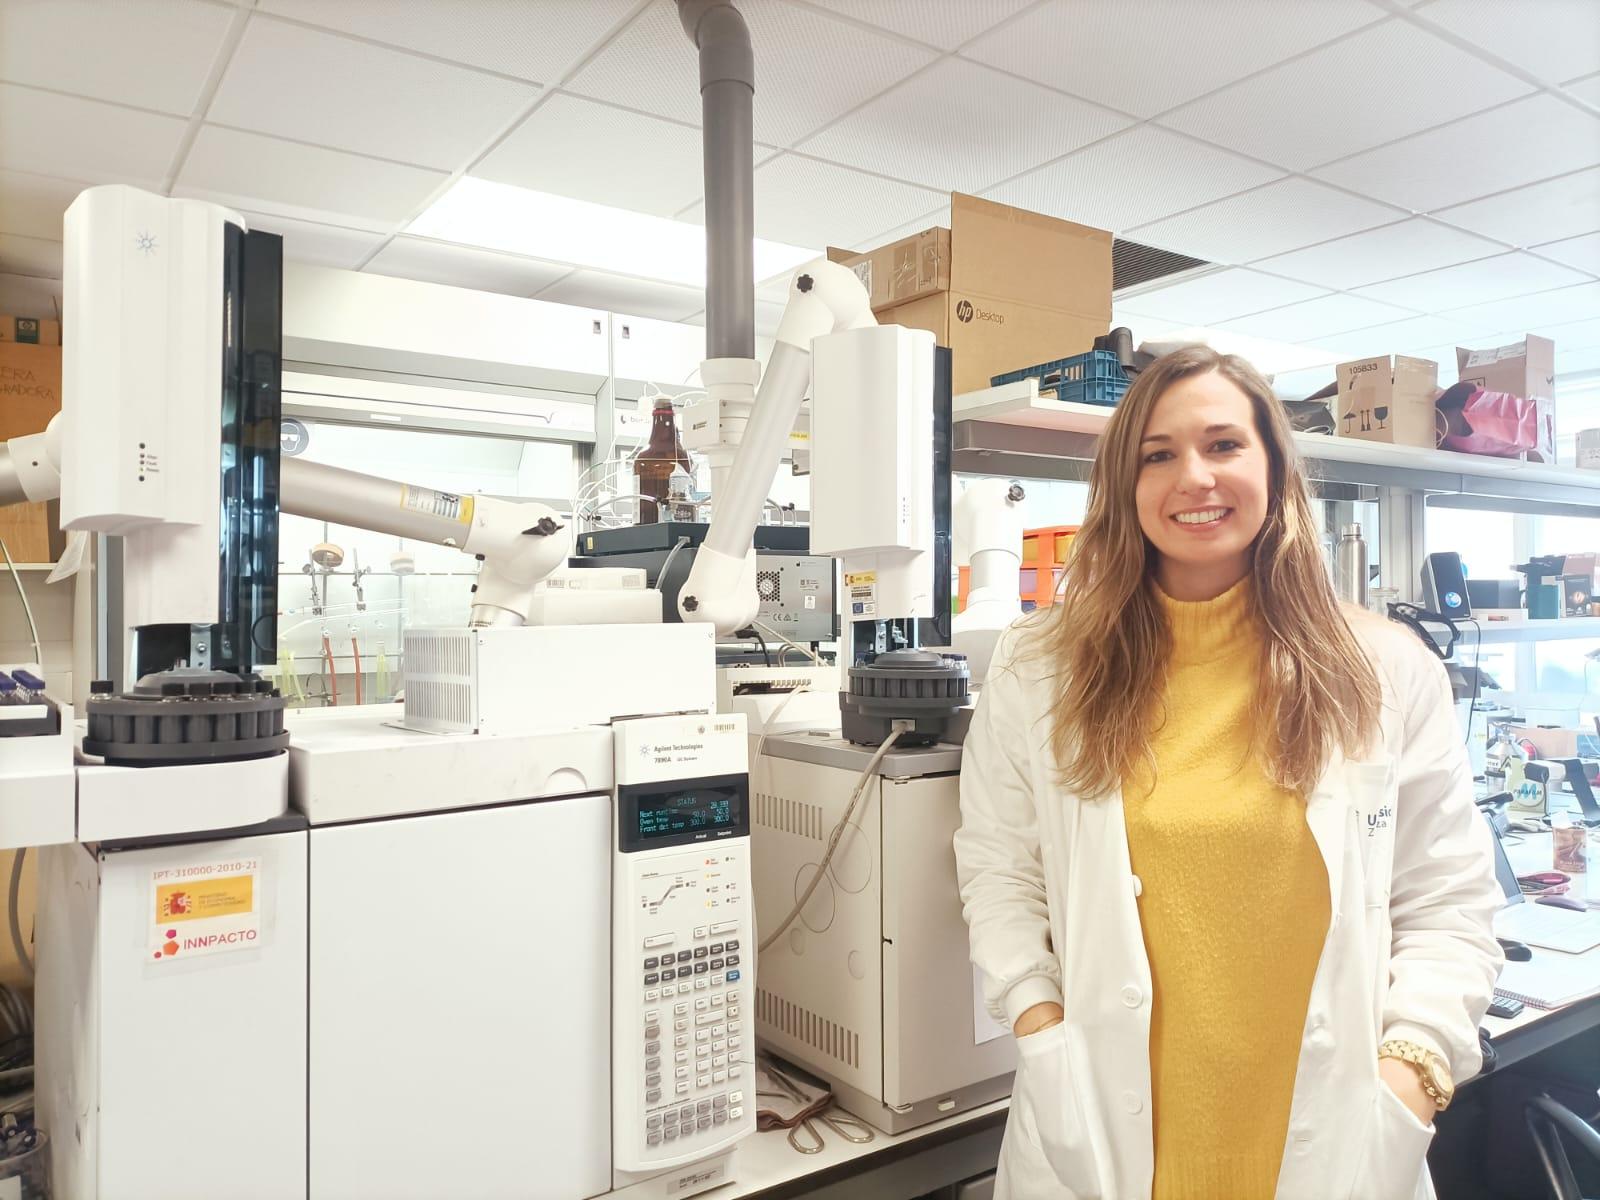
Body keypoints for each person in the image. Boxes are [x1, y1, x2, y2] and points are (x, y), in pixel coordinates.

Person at [953, 346, 1502, 1200]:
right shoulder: (1039, 667)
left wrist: (1413, 1073)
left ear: (1275, 468)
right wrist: (1036, 1015)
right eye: (1158, 455)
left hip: (1333, 1151)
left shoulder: (1384, 669)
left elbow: (1448, 902)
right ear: (1124, 487)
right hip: (1099, 1144)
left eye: (1223, 445)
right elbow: (998, 870)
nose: (1194, 478)